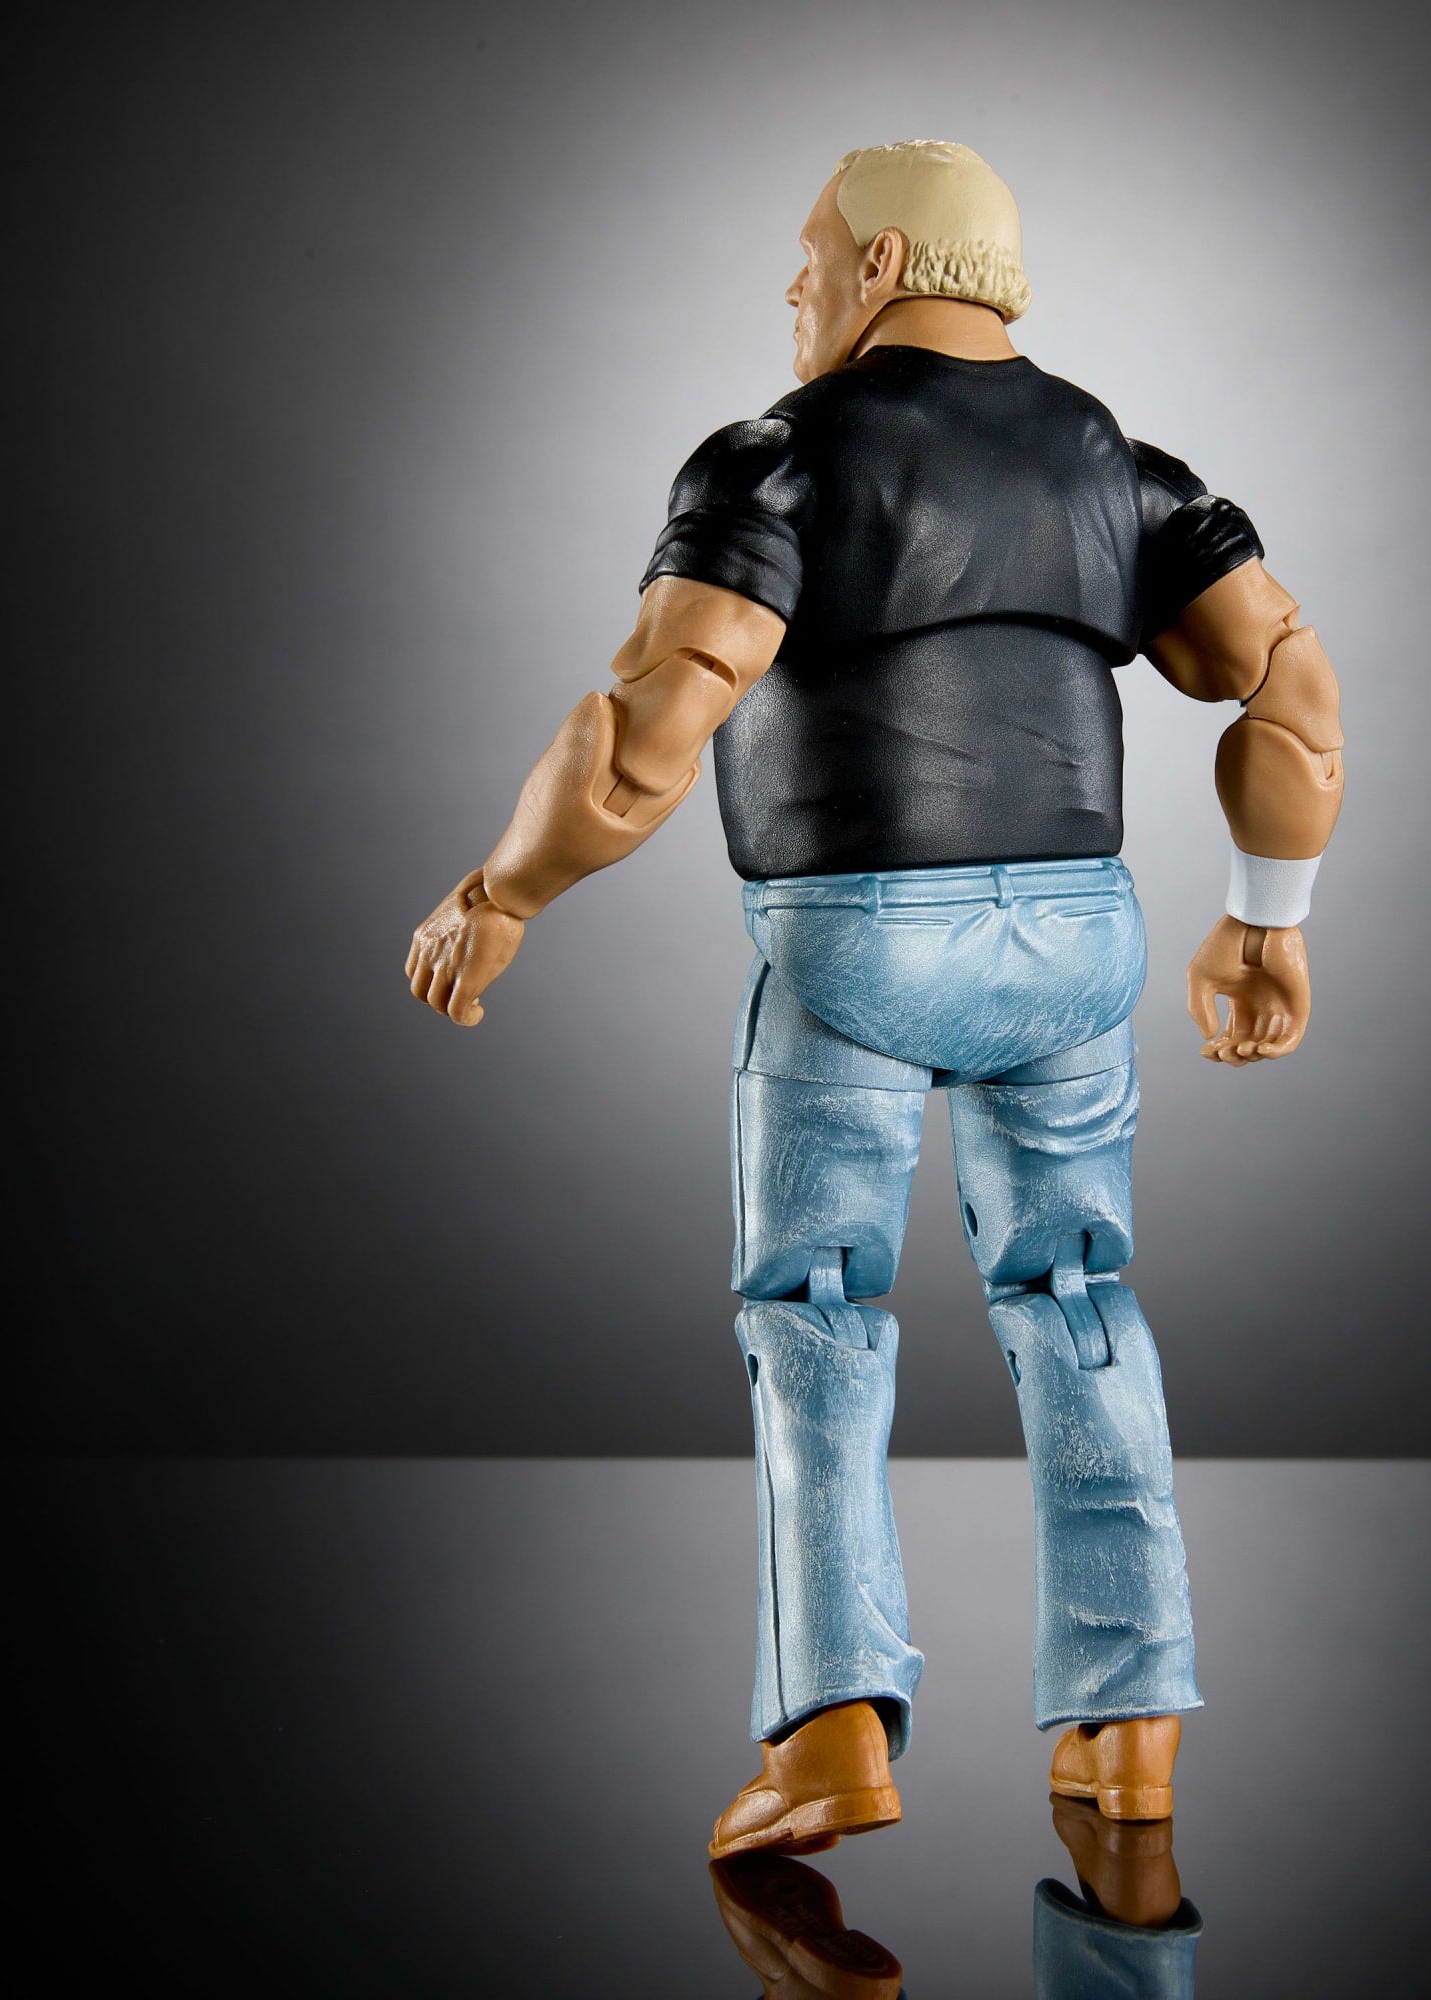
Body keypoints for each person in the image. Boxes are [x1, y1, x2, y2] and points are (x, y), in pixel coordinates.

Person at [405, 141, 1345, 1859]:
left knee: (817, 1314)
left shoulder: (779, 457)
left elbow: (648, 726)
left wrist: (502, 891)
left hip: (856, 939)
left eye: (809, 257)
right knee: (1080, 1296)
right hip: (1078, 938)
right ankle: (1130, 1727)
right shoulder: (1119, 465)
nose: (794, 289)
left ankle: (832, 1731)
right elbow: (1289, 684)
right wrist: (1264, 920)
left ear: (885, 263)